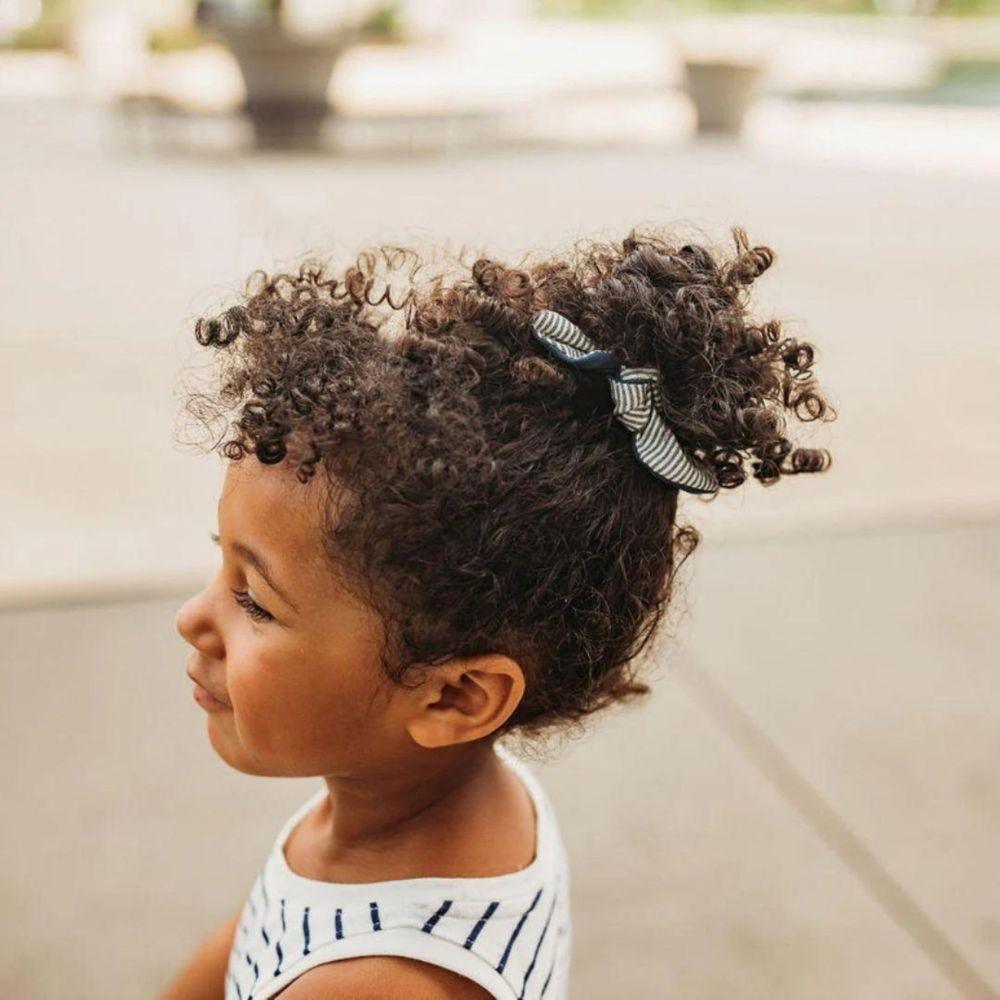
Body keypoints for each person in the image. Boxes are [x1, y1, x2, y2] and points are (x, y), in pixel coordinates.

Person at [165, 227, 834, 999]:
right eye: (223, 564)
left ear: (456, 696)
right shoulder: (437, 792)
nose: (194, 617)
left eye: (254, 601)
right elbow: (258, 932)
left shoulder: (371, 984)